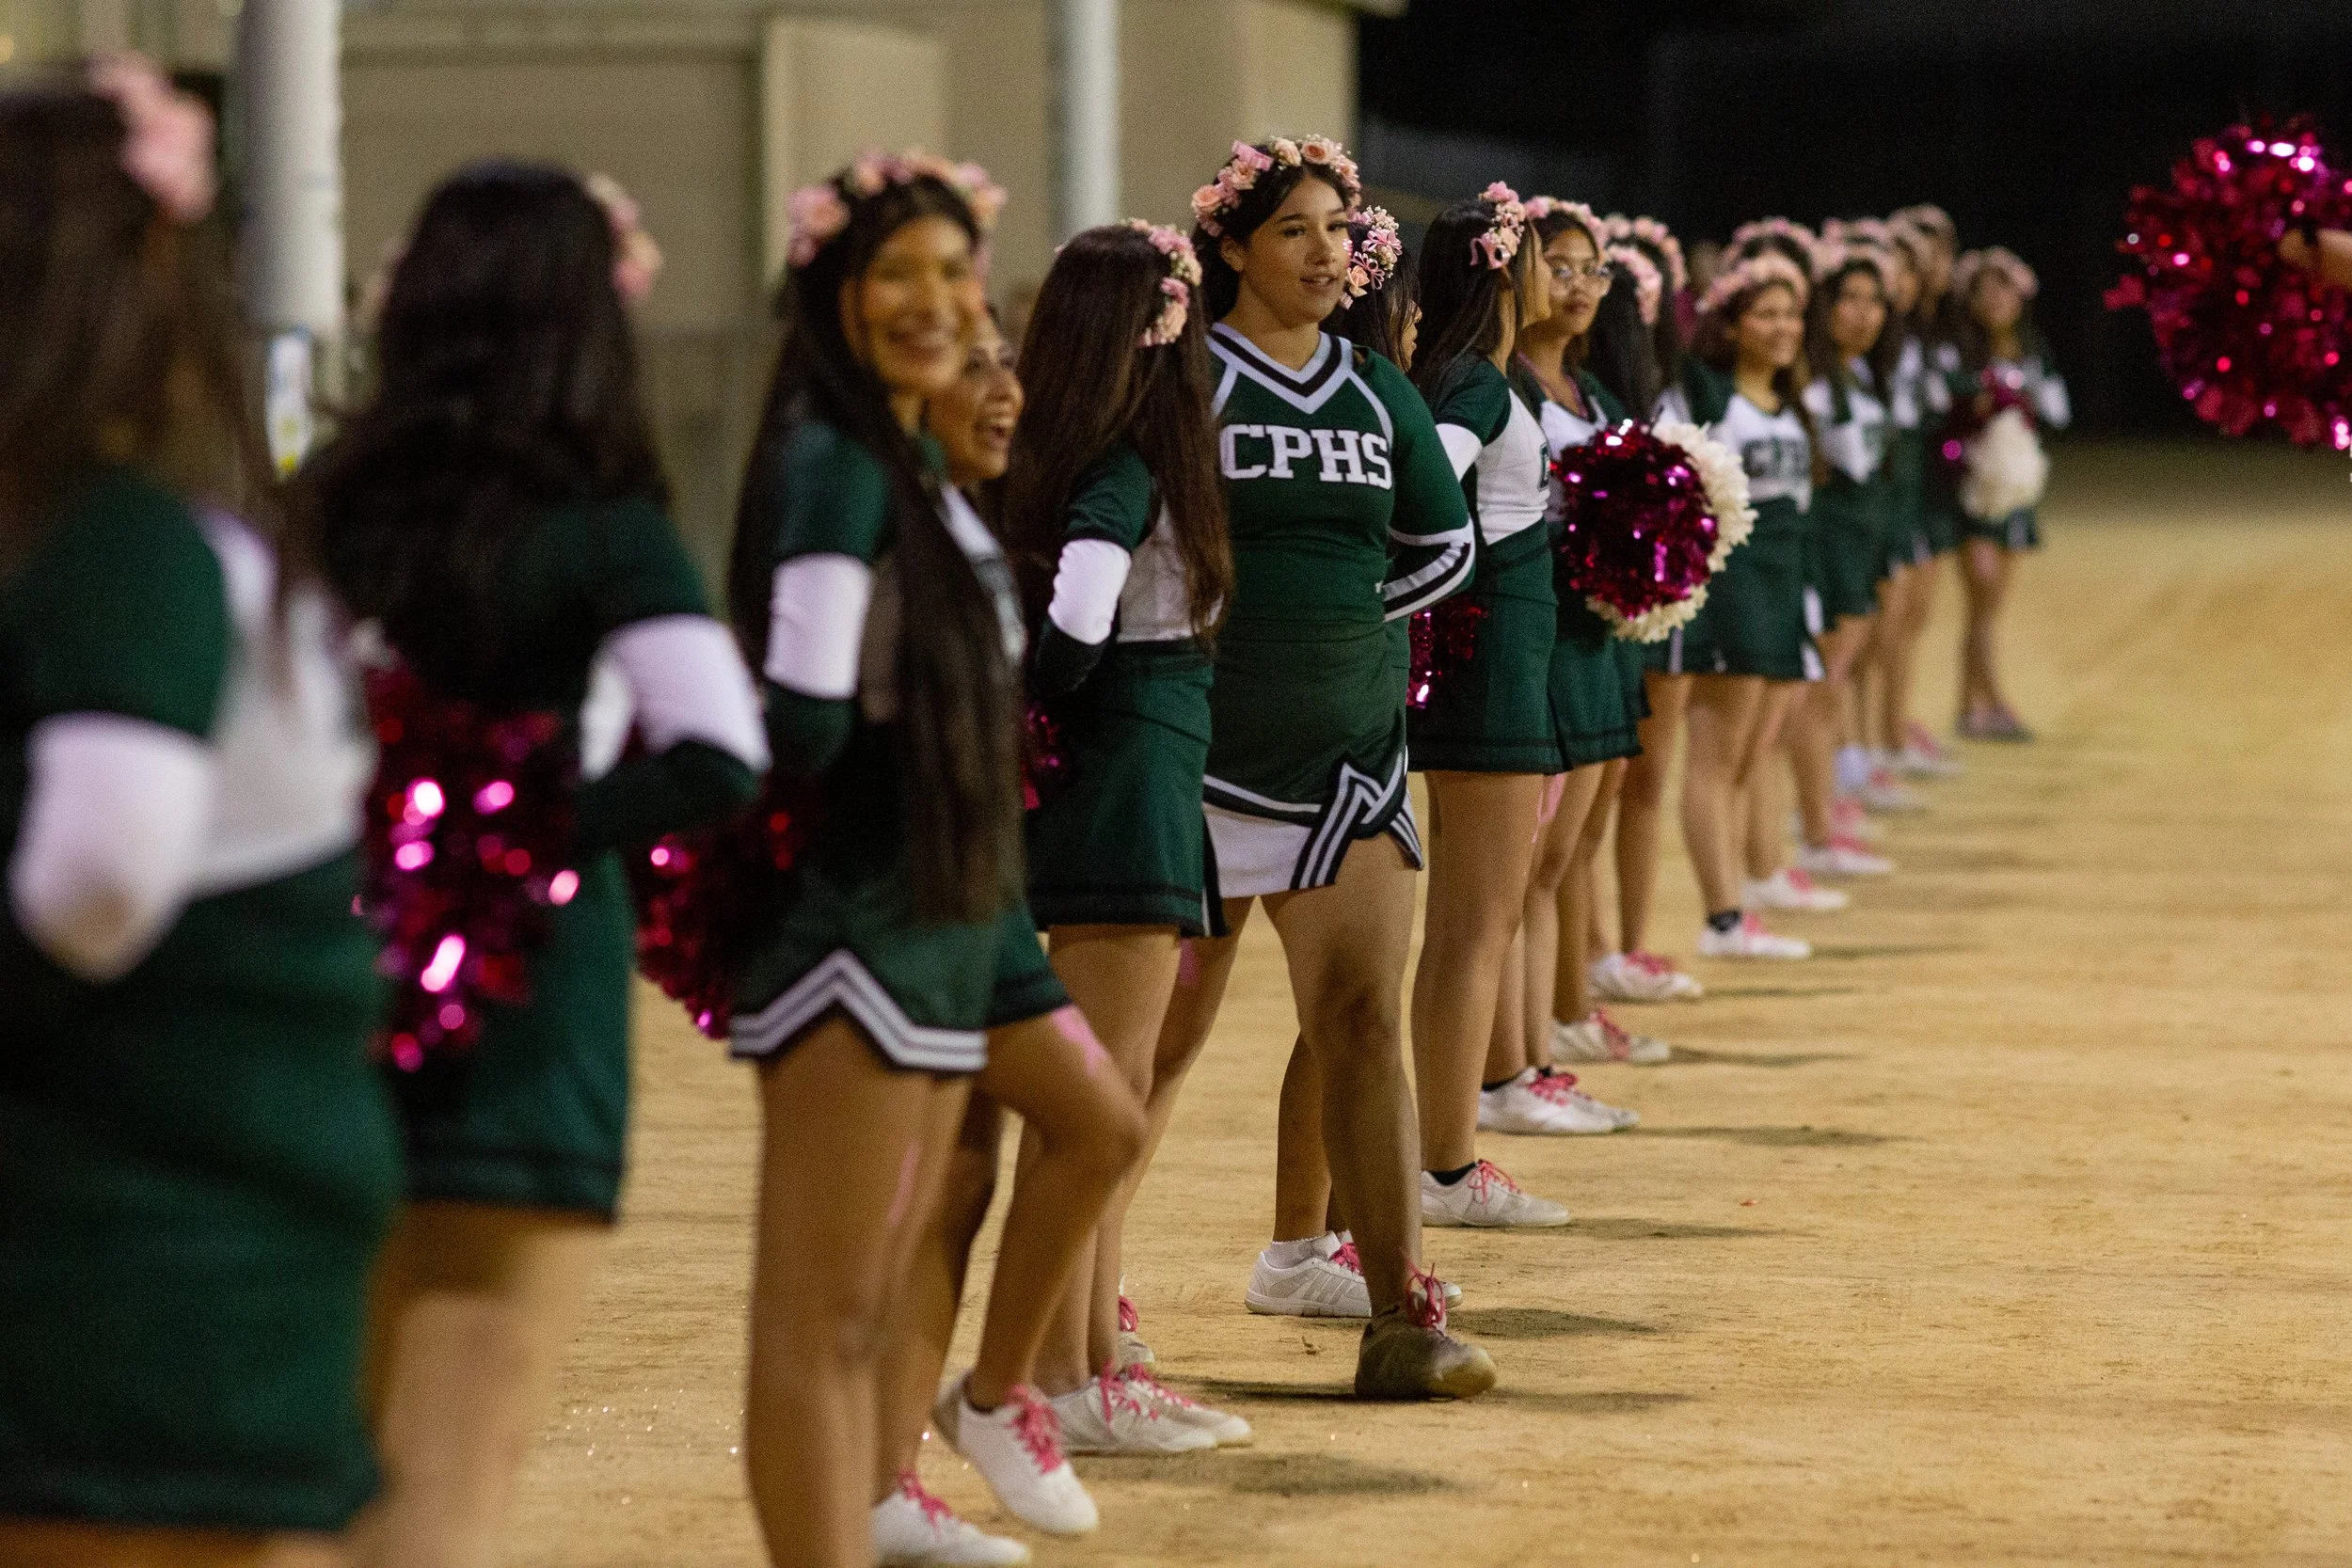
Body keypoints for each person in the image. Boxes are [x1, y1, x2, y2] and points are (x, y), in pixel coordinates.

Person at [307, 163, 771, 1568]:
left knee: (328, 1469)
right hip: (529, 1011)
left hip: (330, 989)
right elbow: (719, 749)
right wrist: (521, 831)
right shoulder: (604, 528)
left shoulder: (324, 506)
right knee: (445, 1488)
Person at [0, 60, 396, 1568]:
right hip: (201, 1214)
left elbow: (102, 870)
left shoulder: (119, 546)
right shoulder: (145, 536)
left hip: (144, 1242)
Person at [724, 153, 1132, 1564]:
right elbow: (802, 720)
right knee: (822, 1316)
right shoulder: (837, 466)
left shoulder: (915, 466)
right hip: (867, 923)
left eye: (954, 274)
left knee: (917, 1251)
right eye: (895, 274)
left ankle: (923, 1456)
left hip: (946, 909)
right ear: (829, 292)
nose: (935, 303)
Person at [1152, 135, 1495, 1398]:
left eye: (1339, 231)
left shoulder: (1373, 386)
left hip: (1353, 750)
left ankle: (1401, 1313)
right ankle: (1085, 1311)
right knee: (1161, 1039)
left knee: (1359, 1019)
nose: (1324, 252)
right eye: (1293, 229)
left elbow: (1438, 547)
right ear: (1234, 247)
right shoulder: (1184, 380)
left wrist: (1347, 635)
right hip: (1202, 749)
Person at [865, 297, 1165, 1566]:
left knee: (1007, 1162)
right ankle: (912, 1453)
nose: (1003, 386)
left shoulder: (964, 520)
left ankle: (968, 1413)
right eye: (968, 362)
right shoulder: (869, 516)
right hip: (898, 909)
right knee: (959, 1184)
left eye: (1006, 360)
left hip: (975, 899)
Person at [989, 222, 1249, 1456]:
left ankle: (1088, 1360)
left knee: (1108, 1099)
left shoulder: (1088, 450)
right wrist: (1053, 698)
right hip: (1132, 788)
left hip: (1129, 782)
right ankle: (1063, 1369)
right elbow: (1079, 610)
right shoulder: (1129, 460)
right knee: (1103, 1101)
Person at [1396, 182, 1590, 1227]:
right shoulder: (1473, 382)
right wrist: (1451, 592)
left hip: (1506, 652)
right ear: (1502, 272)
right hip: (1491, 657)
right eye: (1534, 259)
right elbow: (1423, 485)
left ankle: (1444, 1159)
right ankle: (1446, 1169)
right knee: (1476, 923)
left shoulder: (1489, 375)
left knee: (1476, 921)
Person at [1483, 198, 1666, 1143]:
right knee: (1520, 870)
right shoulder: (1501, 386)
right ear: (1513, 273)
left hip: (1593, 637)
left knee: (1559, 860)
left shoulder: (1595, 393)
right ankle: (1502, 1068)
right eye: (1560, 265)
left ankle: (1542, 1043)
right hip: (1537, 637)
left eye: (1593, 271)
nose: (1580, 286)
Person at [1656, 251, 1820, 962]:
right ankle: (1721, 918)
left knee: (1752, 753)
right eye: (1766, 313)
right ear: (1734, 324)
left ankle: (1743, 893)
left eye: (1791, 313)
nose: (1783, 327)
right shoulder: (1708, 394)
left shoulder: (1792, 400)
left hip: (1784, 585)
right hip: (1733, 588)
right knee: (1716, 758)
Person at [1593, 216, 1709, 1007]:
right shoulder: (1585, 390)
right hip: (1605, 611)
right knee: (1596, 796)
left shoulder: (1667, 386)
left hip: (1660, 602)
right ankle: (1597, 949)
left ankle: (1625, 943)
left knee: (1644, 782)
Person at [1788, 239, 1904, 883]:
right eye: (1848, 299)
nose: (1862, 313)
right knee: (1821, 690)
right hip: (1827, 542)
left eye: (1873, 300)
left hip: (1858, 540)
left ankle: (1824, 810)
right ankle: (1814, 828)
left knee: (1832, 687)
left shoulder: (1859, 374)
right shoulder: (1812, 376)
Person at [1938, 245, 2069, 741]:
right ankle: (1986, 701)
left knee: (1988, 608)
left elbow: (2056, 410)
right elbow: (1949, 411)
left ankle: (1972, 705)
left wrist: (2027, 399)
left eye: (2005, 289)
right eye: (1986, 290)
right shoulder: (1959, 350)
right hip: (1974, 489)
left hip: (2015, 488)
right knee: (1983, 598)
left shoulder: (2031, 349)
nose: (1997, 300)